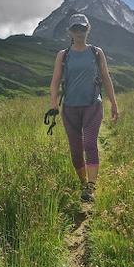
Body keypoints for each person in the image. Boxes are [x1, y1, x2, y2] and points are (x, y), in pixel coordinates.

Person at [49, 13, 119, 202]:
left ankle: (91, 186)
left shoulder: (96, 52)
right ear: (70, 31)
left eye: (82, 28)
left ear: (88, 29)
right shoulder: (63, 55)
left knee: (89, 143)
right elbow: (55, 81)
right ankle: (83, 183)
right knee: (75, 150)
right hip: (70, 108)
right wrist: (53, 103)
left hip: (92, 105)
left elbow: (105, 77)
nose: (79, 32)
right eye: (75, 28)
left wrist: (113, 103)